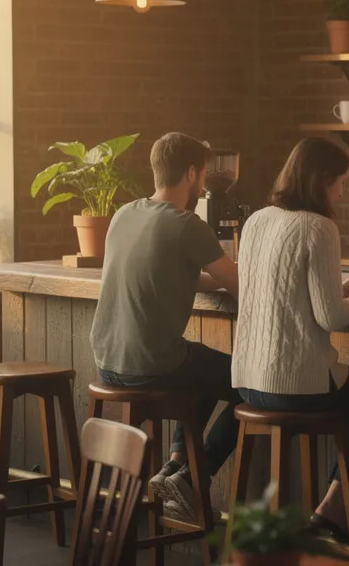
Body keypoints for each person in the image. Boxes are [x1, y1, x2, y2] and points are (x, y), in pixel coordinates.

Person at [230, 137, 349, 543]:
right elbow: (331, 316)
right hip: (296, 387)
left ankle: (328, 510)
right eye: (340, 182)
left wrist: (341, 288)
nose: (342, 191)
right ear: (322, 180)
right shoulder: (319, 227)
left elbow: (284, 291)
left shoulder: (257, 220)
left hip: (247, 382)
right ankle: (333, 507)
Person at [90, 132, 241, 521]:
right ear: (191, 173)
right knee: (252, 383)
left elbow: (168, 270)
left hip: (107, 363)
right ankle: (193, 476)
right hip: (150, 367)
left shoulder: (125, 214)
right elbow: (241, 283)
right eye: (204, 173)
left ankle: (174, 466)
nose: (205, 181)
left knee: (203, 366)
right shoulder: (186, 224)